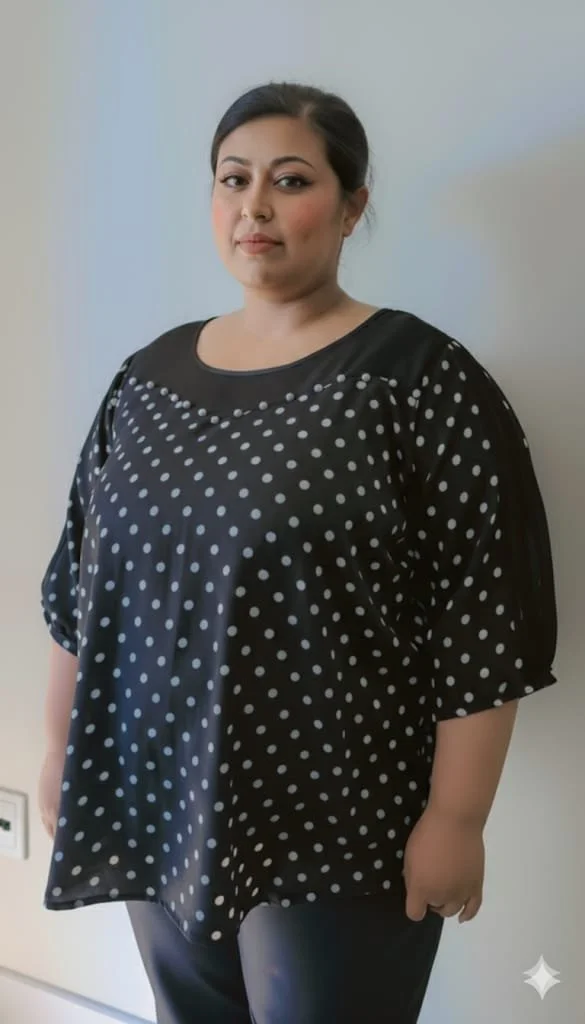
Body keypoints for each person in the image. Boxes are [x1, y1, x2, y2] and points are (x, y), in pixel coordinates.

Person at [38, 81, 558, 1024]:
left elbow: (482, 619)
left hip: (340, 814)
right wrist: (56, 751)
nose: (254, 207)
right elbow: (81, 585)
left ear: (353, 204)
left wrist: (457, 817)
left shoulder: (417, 378)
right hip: (160, 790)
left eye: (290, 180)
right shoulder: (145, 379)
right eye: (232, 179)